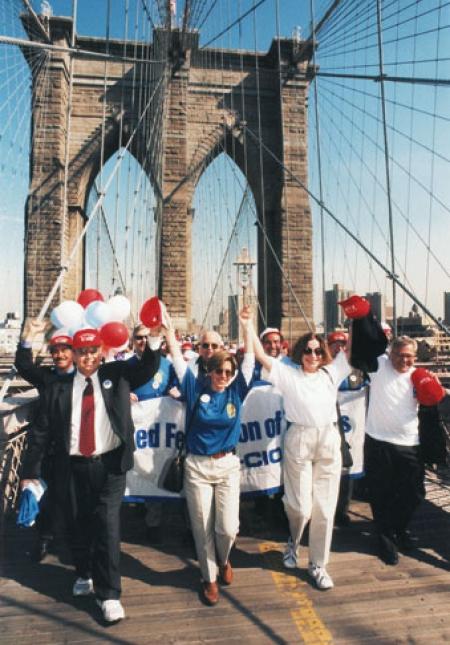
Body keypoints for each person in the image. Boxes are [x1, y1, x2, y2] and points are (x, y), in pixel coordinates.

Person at [20, 327, 160, 622]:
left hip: (109, 466)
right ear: (73, 354)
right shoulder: (57, 387)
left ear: (102, 351)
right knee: (77, 524)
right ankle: (84, 573)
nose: (88, 357)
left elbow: (148, 367)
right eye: (82, 352)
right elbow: (40, 433)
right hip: (70, 467)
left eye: (93, 351)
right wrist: (29, 473)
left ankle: (109, 594)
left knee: (107, 526)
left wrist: (155, 339)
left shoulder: (117, 374)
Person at [247, 313, 352, 590]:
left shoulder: (331, 373)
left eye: (318, 351)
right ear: (299, 353)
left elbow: (352, 350)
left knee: (325, 510)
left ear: (324, 353)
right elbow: (260, 355)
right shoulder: (288, 374)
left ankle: (318, 565)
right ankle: (293, 542)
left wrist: (356, 318)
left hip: (328, 439)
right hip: (299, 439)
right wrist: (247, 324)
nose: (313, 355)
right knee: (301, 508)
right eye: (307, 350)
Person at [163, 308, 254, 606]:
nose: (223, 377)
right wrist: (168, 331)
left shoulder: (236, 392)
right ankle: (209, 577)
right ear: (210, 371)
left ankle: (224, 559)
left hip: (227, 465)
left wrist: (247, 327)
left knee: (227, 529)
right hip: (198, 467)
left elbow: (250, 361)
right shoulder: (195, 388)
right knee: (202, 529)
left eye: (228, 372)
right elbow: (178, 361)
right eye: (218, 372)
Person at [15, 318, 75, 561]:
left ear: (73, 352)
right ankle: (44, 539)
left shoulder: (84, 378)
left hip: (75, 448)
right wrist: (27, 337)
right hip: (48, 449)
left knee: (72, 498)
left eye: (64, 350)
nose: (59, 355)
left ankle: (72, 543)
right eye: (55, 351)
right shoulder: (48, 378)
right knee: (46, 497)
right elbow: (24, 365)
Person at [364, 336, 426, 565]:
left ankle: (398, 528)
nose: (403, 360)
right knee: (381, 493)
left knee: (415, 493)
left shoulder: (419, 376)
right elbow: (365, 343)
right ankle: (385, 539)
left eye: (409, 356)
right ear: (390, 354)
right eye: (399, 355)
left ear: (415, 357)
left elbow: (435, 397)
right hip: (379, 441)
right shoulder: (378, 366)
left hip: (410, 442)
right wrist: (359, 320)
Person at [128, 323, 180, 543]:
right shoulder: (126, 366)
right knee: (142, 468)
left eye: (147, 337)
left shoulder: (167, 365)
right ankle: (151, 521)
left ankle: (155, 519)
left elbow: (179, 388)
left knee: (158, 467)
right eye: (139, 338)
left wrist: (177, 394)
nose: (143, 341)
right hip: (138, 429)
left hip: (162, 427)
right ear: (133, 341)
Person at [327, 331, 368, 527]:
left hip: (352, 429)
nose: (339, 347)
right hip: (329, 427)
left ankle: (342, 510)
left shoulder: (359, 370)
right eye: (334, 344)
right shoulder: (322, 369)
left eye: (343, 343)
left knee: (348, 470)